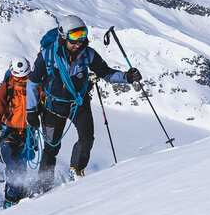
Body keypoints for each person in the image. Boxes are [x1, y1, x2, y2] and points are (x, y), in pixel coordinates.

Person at [26, 15, 141, 190]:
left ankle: (76, 171)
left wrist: (127, 77)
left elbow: (105, 73)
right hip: (54, 106)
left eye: (82, 35)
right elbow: (33, 83)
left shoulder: (88, 54)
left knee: (87, 139)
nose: (78, 42)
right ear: (63, 36)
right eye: (74, 37)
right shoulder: (47, 56)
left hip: (78, 103)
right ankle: (44, 186)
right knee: (51, 148)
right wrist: (31, 111)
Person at [0, 55, 31, 206]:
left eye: (25, 77)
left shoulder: (34, 86)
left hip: (27, 133)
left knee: (22, 166)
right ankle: (12, 200)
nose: (22, 81)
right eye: (19, 78)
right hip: (8, 132)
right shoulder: (5, 89)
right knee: (13, 166)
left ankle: (21, 196)